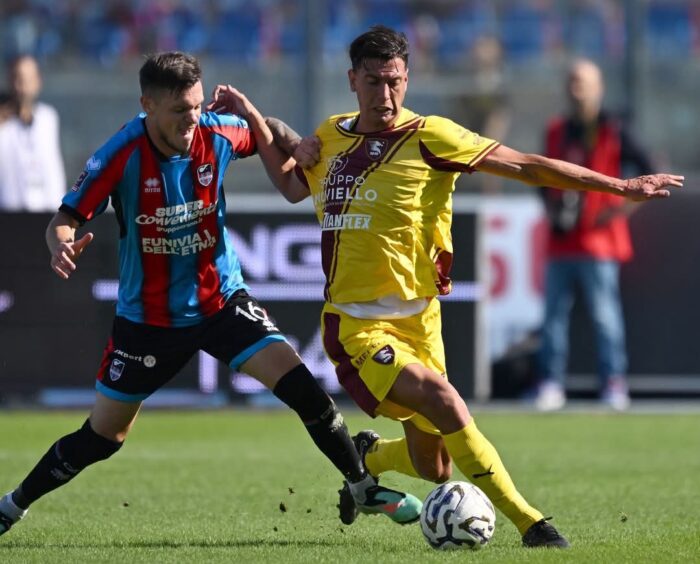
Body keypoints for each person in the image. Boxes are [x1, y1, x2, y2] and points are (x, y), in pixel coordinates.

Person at [212, 25, 682, 548]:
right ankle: (532, 524)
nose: (385, 94)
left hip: (422, 323)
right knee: (446, 400)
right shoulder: (331, 137)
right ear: (352, 80)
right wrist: (256, 118)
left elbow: (525, 166)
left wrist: (618, 185)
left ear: (407, 79)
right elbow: (290, 186)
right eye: (373, 81)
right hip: (356, 326)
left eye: (394, 81)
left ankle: (368, 455)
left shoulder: (430, 136)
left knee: (432, 466)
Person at [0, 51, 423, 539]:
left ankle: (362, 487)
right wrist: (61, 244)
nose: (192, 119)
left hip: (223, 301)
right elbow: (64, 219)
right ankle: (12, 505)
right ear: (147, 105)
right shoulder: (119, 154)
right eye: (180, 110)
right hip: (150, 321)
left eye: (198, 106)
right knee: (103, 438)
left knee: (305, 391)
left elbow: (263, 129)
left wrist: (294, 142)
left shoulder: (214, 131)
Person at [534, 58, 657, 412]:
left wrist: (619, 209)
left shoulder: (614, 129)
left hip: (600, 240)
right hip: (562, 239)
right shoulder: (557, 130)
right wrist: (551, 209)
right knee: (552, 317)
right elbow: (538, 176)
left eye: (584, 83)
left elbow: (649, 170)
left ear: (598, 88)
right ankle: (550, 382)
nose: (577, 90)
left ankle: (613, 382)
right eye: (573, 82)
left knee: (605, 315)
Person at [0, 54, 67, 211]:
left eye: (28, 79)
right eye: (18, 78)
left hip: (45, 210)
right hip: (7, 212)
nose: (22, 86)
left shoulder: (47, 118)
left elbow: (53, 167)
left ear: (38, 81)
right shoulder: (4, 123)